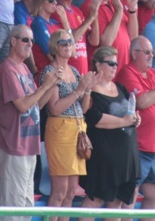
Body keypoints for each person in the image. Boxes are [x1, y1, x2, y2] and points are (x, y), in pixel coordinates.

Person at [0, 24, 59, 221]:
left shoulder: (24, 68)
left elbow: (36, 105)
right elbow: (22, 105)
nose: (30, 44)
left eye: (32, 40)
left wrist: (52, 85)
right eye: (25, 40)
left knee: (26, 207)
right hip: (14, 145)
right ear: (13, 41)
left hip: (29, 144)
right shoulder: (7, 69)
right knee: (13, 207)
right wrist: (45, 86)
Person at [117, 35, 155, 210]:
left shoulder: (153, 74)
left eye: (152, 52)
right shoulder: (128, 72)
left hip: (154, 150)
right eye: (147, 52)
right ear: (134, 53)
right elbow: (142, 102)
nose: (151, 55)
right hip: (137, 146)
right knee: (130, 195)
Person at [43, 29, 97, 218]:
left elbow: (83, 108)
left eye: (70, 42)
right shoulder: (50, 71)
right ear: (55, 47)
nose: (68, 46)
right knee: (60, 191)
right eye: (63, 43)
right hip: (60, 130)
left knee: (71, 192)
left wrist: (88, 90)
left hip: (77, 129)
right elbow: (54, 108)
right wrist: (79, 90)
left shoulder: (73, 71)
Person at [79, 46, 141, 211]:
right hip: (104, 156)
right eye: (111, 63)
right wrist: (124, 121)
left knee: (117, 203)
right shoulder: (91, 90)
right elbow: (95, 119)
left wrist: (135, 119)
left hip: (126, 154)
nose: (115, 67)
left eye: (116, 63)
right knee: (95, 199)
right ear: (98, 65)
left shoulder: (120, 87)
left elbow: (129, 112)